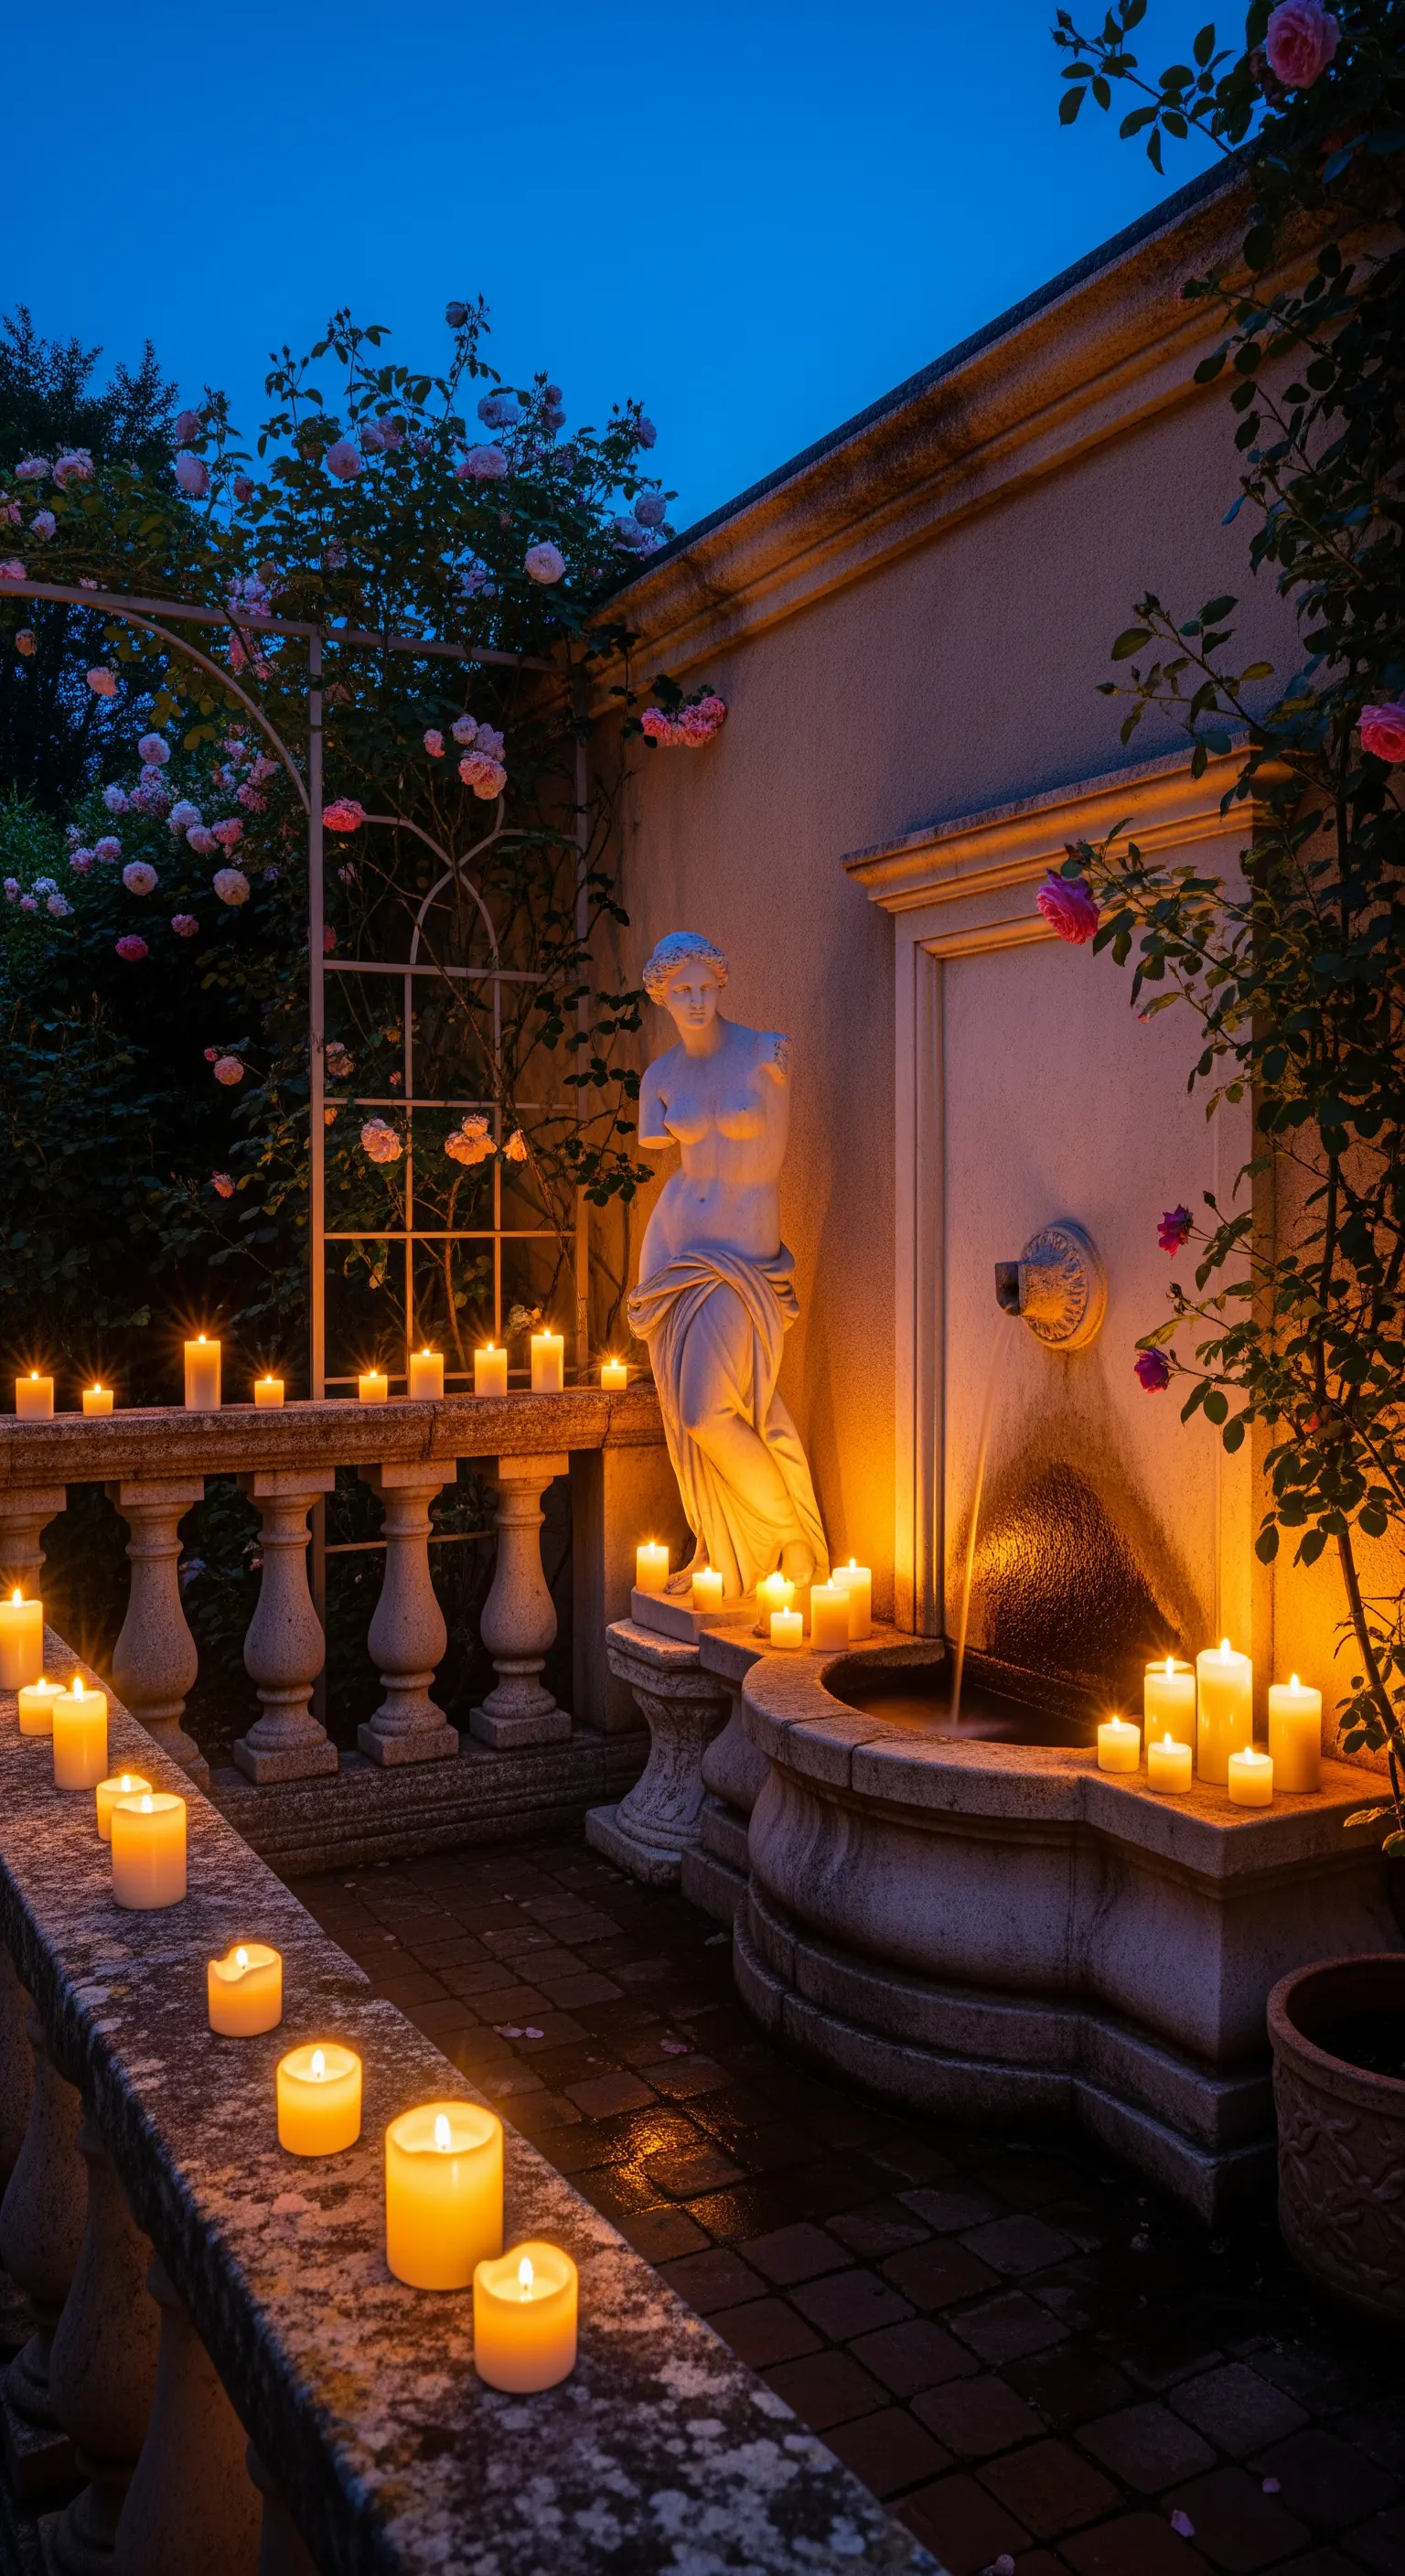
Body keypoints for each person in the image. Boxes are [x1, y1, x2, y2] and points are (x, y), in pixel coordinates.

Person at [627, 930, 828, 1599]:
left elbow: (767, 1157)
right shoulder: (659, 1078)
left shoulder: (763, 1052)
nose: (694, 999)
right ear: (661, 995)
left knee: (709, 1412)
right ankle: (726, 1548)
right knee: (705, 1413)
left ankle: (789, 1538)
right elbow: (670, 1167)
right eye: (680, 990)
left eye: (704, 987)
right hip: (676, 1250)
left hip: (742, 1255)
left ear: (720, 986)